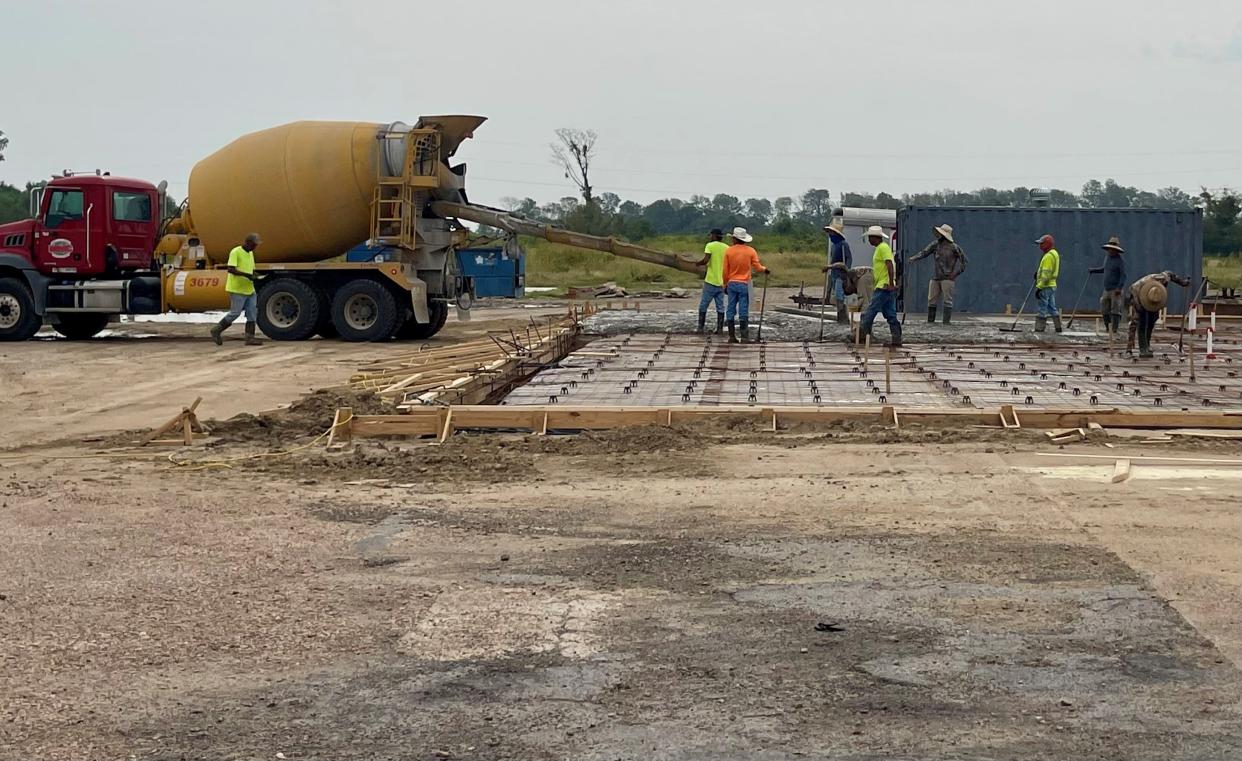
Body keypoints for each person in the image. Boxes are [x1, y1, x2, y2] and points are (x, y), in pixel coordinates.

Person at [210, 233, 264, 346]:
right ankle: (216, 330)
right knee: (235, 313)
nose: (255, 247)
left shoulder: (251, 254)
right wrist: (246, 275)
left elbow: (250, 269)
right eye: (254, 245)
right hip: (237, 289)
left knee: (252, 312)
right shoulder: (236, 252)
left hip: (249, 288)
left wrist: (255, 275)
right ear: (248, 242)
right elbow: (230, 269)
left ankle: (250, 338)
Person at [907, 223, 967, 325]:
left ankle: (946, 322)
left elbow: (964, 262)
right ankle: (931, 321)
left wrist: (955, 273)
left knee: (947, 300)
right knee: (931, 300)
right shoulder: (935, 245)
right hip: (936, 277)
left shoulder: (954, 248)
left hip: (948, 278)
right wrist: (914, 258)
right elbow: (924, 252)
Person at [1127, 270, 1191, 358]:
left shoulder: (1163, 278)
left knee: (1152, 320)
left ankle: (1147, 345)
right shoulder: (1140, 287)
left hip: (1151, 298)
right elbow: (1134, 321)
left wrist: (1183, 283)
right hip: (1138, 297)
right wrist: (1139, 308)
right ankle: (1138, 349)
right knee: (1141, 323)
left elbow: (1172, 275)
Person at [722, 226, 769, 344]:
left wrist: (725, 284)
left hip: (732, 283)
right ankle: (744, 337)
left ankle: (732, 336)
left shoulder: (728, 251)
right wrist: (765, 270)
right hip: (746, 283)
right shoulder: (751, 251)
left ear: (734, 239)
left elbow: (725, 271)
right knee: (744, 309)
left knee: (730, 308)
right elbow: (758, 268)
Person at [857, 225, 902, 347]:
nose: (869, 240)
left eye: (870, 237)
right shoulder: (880, 248)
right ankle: (897, 339)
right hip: (885, 286)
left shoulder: (883, 248)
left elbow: (889, 265)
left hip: (884, 286)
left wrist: (891, 283)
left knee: (870, 311)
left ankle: (861, 336)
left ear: (875, 237)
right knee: (890, 314)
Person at [1088, 236, 1126, 338]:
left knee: (1115, 310)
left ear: (1116, 250)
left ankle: (1114, 329)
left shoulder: (1120, 261)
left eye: (1112, 249)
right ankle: (1107, 327)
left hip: (1115, 290)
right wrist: (1094, 270)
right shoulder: (1107, 258)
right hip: (1107, 288)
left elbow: (1123, 275)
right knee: (1104, 308)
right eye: (1109, 249)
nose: (1110, 251)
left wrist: (1119, 288)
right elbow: (1104, 269)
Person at [695, 228, 728, 334]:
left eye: (711, 235)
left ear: (714, 236)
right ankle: (719, 329)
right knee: (720, 306)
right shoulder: (727, 248)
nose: (710, 237)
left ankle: (700, 328)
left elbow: (705, 260)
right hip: (722, 281)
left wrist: (697, 264)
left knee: (703, 304)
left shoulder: (710, 246)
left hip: (710, 280)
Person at [821, 219, 853, 324]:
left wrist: (846, 270)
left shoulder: (843, 244)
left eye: (831, 232)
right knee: (834, 296)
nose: (830, 235)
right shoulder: (834, 246)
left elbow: (848, 259)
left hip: (841, 274)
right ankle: (840, 316)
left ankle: (843, 317)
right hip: (834, 273)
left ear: (836, 234)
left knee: (840, 295)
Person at [1033, 234, 1062, 333]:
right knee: (1052, 307)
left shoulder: (1048, 257)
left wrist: (1039, 287)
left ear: (1047, 244)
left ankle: (1039, 328)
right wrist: (1038, 274)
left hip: (1045, 286)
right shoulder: (1055, 254)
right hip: (1052, 285)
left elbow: (1046, 274)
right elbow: (1048, 271)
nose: (1040, 246)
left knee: (1042, 307)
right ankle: (1058, 327)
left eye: (1041, 244)